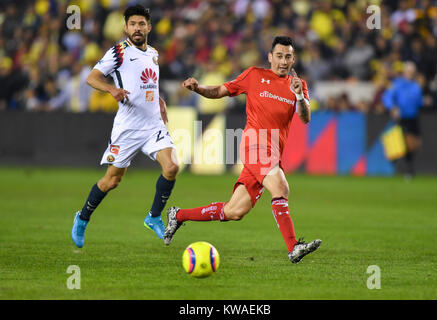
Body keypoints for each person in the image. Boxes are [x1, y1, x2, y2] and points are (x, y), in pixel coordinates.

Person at [164, 36, 321, 264]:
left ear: (293, 59)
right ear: (270, 57)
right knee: (280, 186)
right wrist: (198, 88)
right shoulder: (254, 75)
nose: (283, 61)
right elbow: (220, 91)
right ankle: (293, 247)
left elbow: (305, 118)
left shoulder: (299, 85)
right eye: (279, 56)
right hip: (254, 143)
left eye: (288, 56)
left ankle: (178, 215)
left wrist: (298, 95)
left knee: (234, 211)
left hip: (273, 149)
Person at [71, 5, 179, 248]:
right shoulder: (118, 52)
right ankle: (83, 217)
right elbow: (92, 77)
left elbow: (149, 82)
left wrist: (160, 100)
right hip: (128, 128)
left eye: (141, 24)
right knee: (112, 181)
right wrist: (112, 90)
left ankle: (153, 217)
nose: (137, 28)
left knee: (172, 167)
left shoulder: (153, 53)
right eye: (133, 24)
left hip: (152, 125)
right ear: (126, 27)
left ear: (149, 27)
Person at [382, 61, 423, 178]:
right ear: (405, 72)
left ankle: (397, 157)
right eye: (409, 71)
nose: (411, 73)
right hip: (402, 117)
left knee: (415, 144)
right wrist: (393, 107)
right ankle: (408, 169)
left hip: (414, 117)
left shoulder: (416, 86)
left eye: (413, 71)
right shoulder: (397, 84)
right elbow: (387, 97)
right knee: (407, 142)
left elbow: (419, 102)